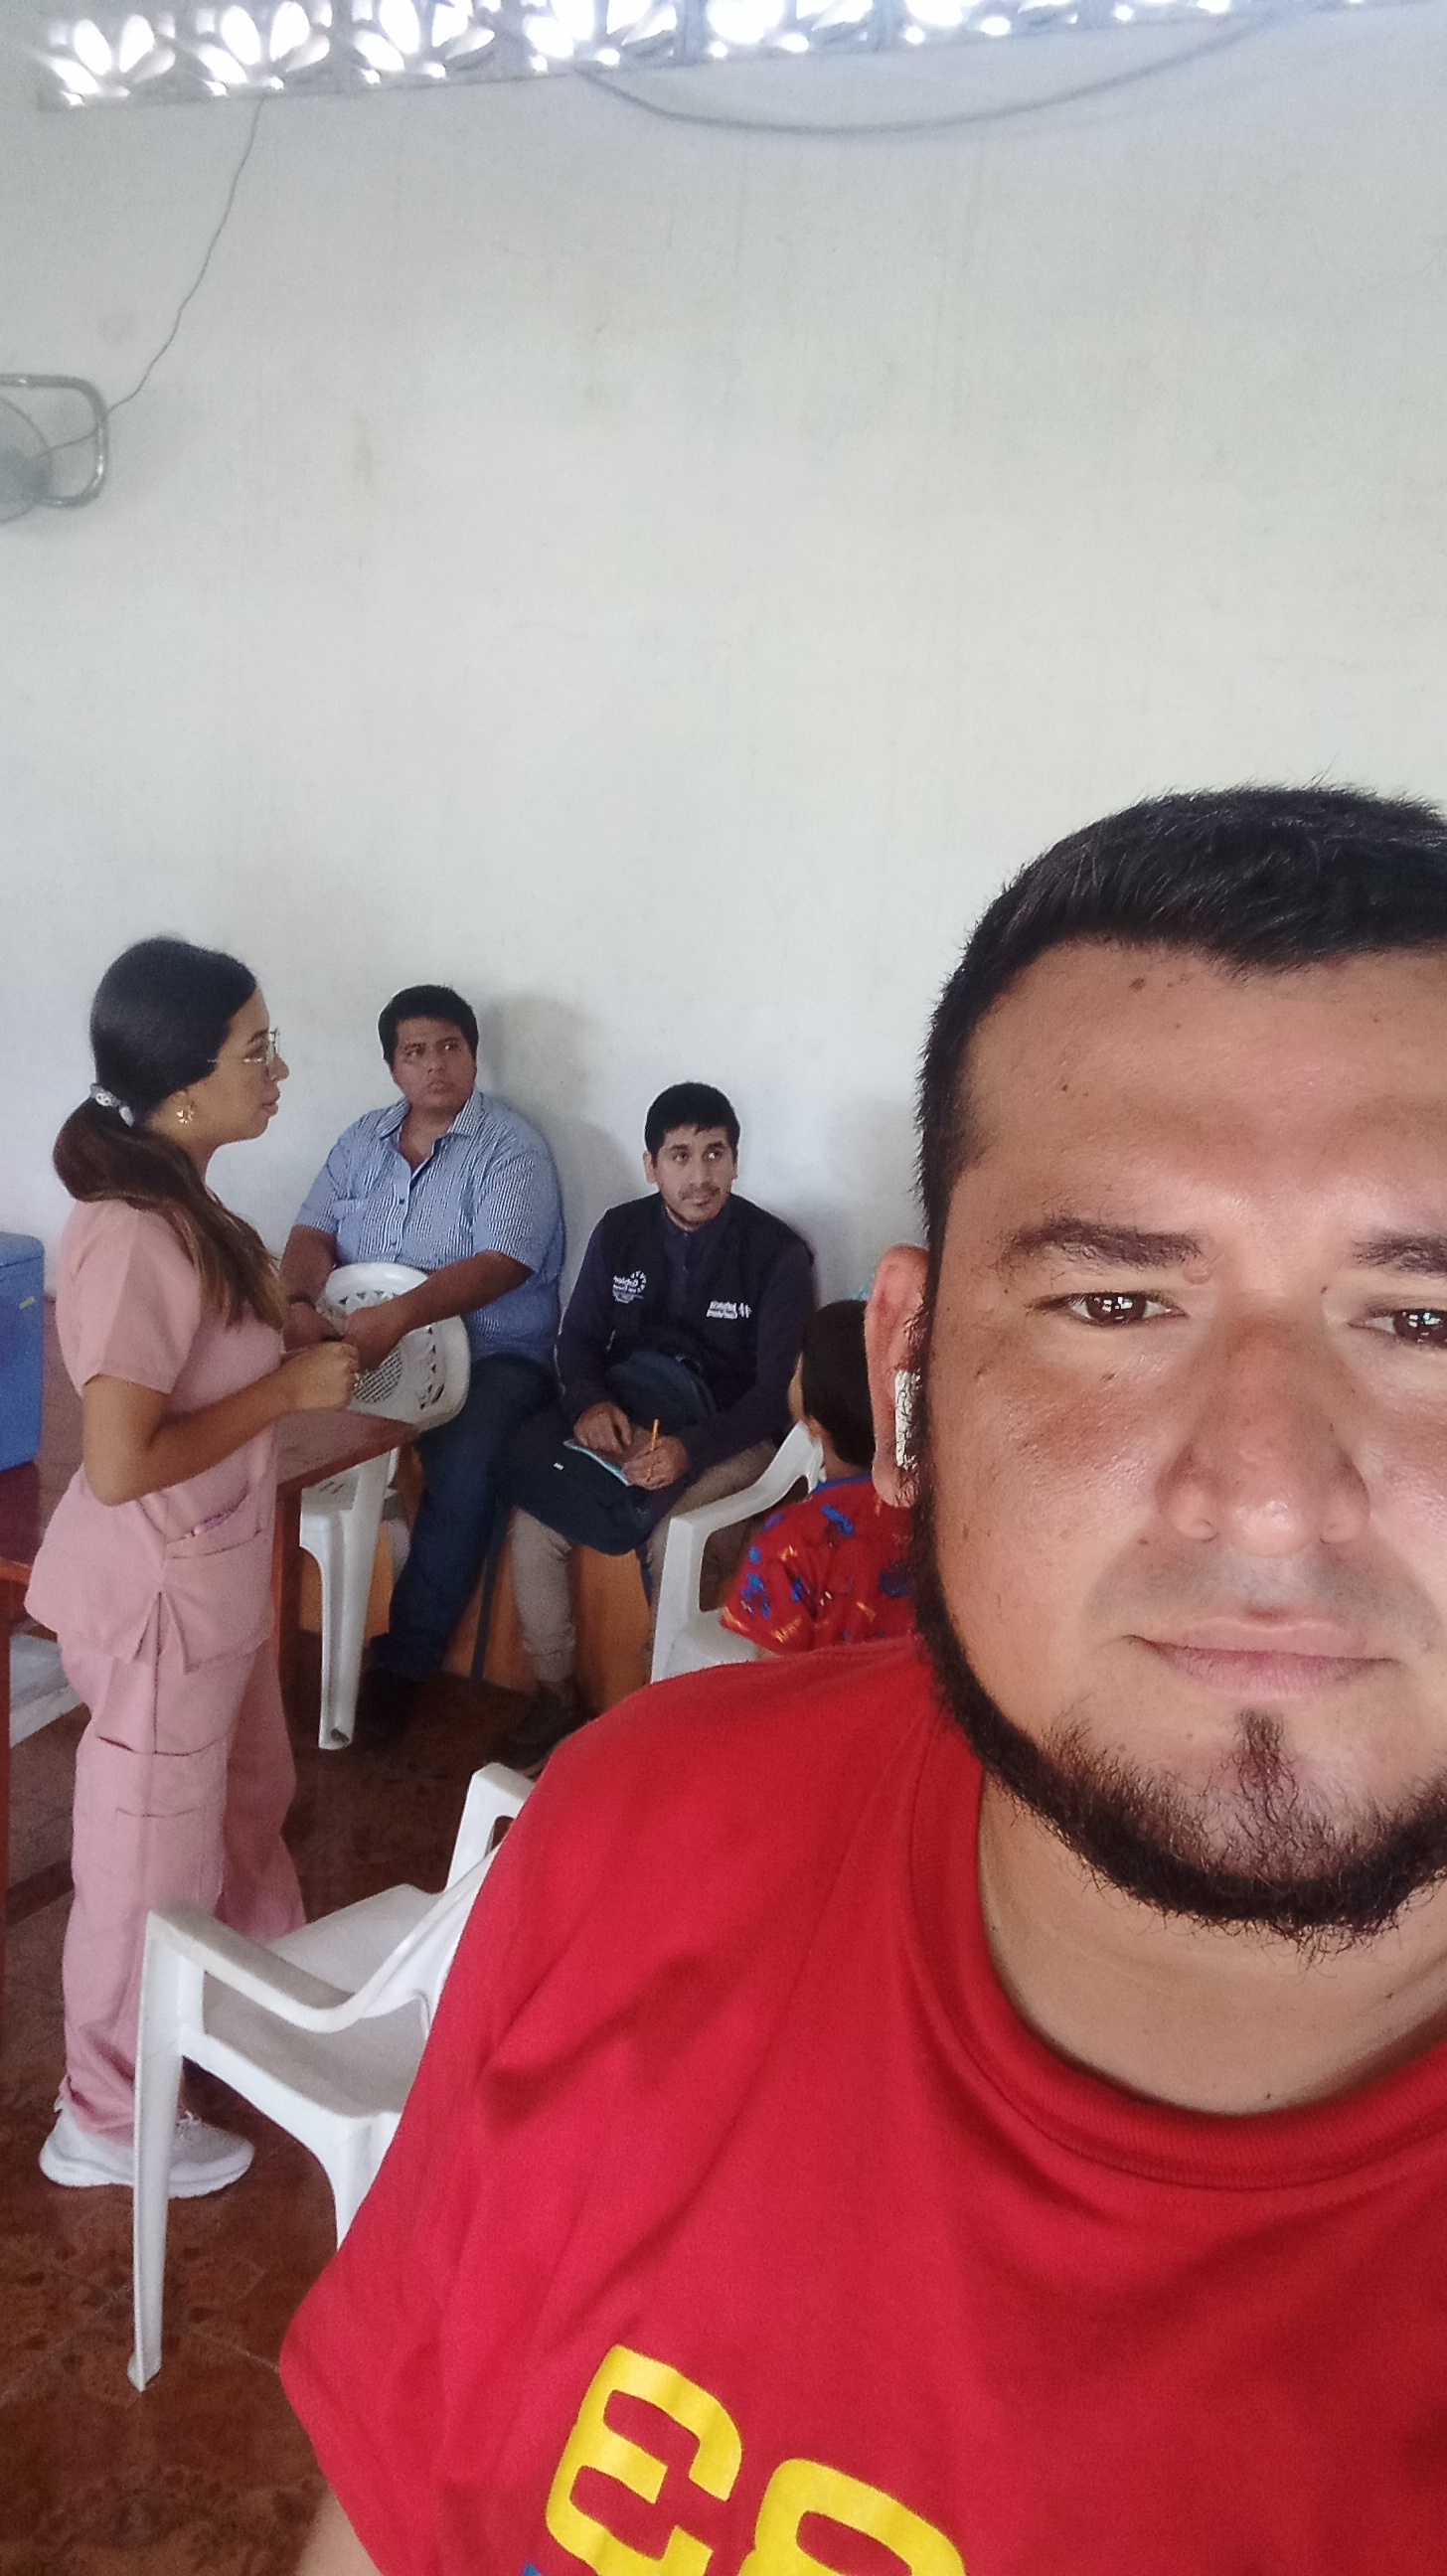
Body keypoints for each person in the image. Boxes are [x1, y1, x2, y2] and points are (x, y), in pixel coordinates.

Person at [286, 785, 1447, 2575]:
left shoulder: (743, 1251)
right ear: (904, 1382)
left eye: (1428, 1321)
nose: (1271, 1496)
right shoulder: (636, 1840)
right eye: (1116, 1306)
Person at [27, 938, 359, 2196]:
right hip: (159, 1603)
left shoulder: (190, 1203)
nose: (278, 1071)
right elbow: (120, 1464)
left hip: (215, 1586)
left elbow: (208, 1348)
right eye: (255, 1051)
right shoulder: (128, 1235)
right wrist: (285, 1389)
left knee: (245, 1808)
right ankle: (106, 2118)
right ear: (178, 1088)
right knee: (144, 1870)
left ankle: (242, 2014)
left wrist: (293, 1335)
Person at [495, 1082, 815, 1766]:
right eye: (680, 1156)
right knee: (535, 1527)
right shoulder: (620, 1232)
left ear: (735, 1161)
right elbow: (578, 1341)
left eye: (715, 1154)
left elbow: (773, 1397)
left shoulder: (777, 1254)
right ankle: (554, 1693)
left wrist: (688, 1451)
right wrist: (589, 1404)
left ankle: (659, 1716)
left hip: (731, 1433)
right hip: (627, 1419)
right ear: (651, 1165)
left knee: (677, 1542)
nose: (699, 1176)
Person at [281, 984, 563, 1741]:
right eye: (416, 1052)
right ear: (392, 1067)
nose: (435, 1064)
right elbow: (310, 1234)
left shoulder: (511, 1147)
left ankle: (403, 1665)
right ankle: (261, 1634)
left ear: (473, 1055)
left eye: (450, 1047)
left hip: (494, 1357)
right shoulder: (361, 1142)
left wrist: (403, 1313)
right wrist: (300, 1306)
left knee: (467, 1471)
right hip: (364, 1350)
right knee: (269, 1435)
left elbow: (503, 1263)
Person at [720, 1299, 913, 1655]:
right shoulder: (943, 1517)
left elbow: (773, 1676)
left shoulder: (789, 1543)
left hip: (823, 1695)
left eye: (798, 1369)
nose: (792, 1375)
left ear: (816, 1424)